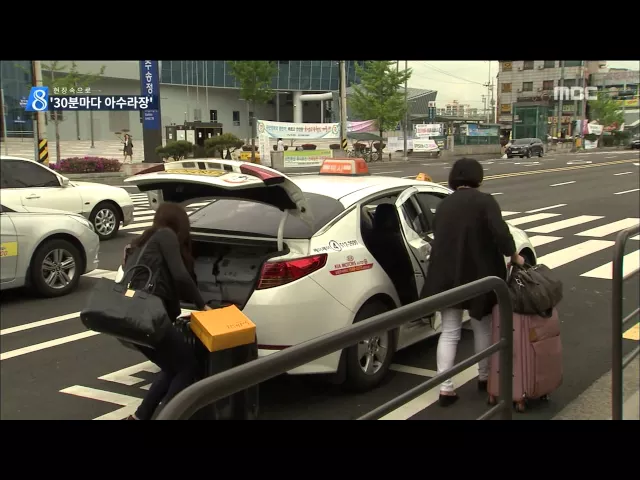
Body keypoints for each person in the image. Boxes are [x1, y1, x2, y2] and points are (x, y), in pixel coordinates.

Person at [421, 157, 524, 407]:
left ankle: (445, 388)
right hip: (480, 274)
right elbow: (501, 233)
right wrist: (514, 255)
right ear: (478, 177)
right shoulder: (485, 202)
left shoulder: (444, 205)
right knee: (482, 326)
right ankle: (484, 377)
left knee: (449, 331)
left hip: (447, 275)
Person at [122, 202, 211, 420]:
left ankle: (140, 417)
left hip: (128, 316)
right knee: (188, 367)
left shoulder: (141, 242)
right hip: (149, 316)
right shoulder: (166, 235)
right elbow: (180, 276)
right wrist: (202, 305)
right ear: (179, 224)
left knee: (172, 367)